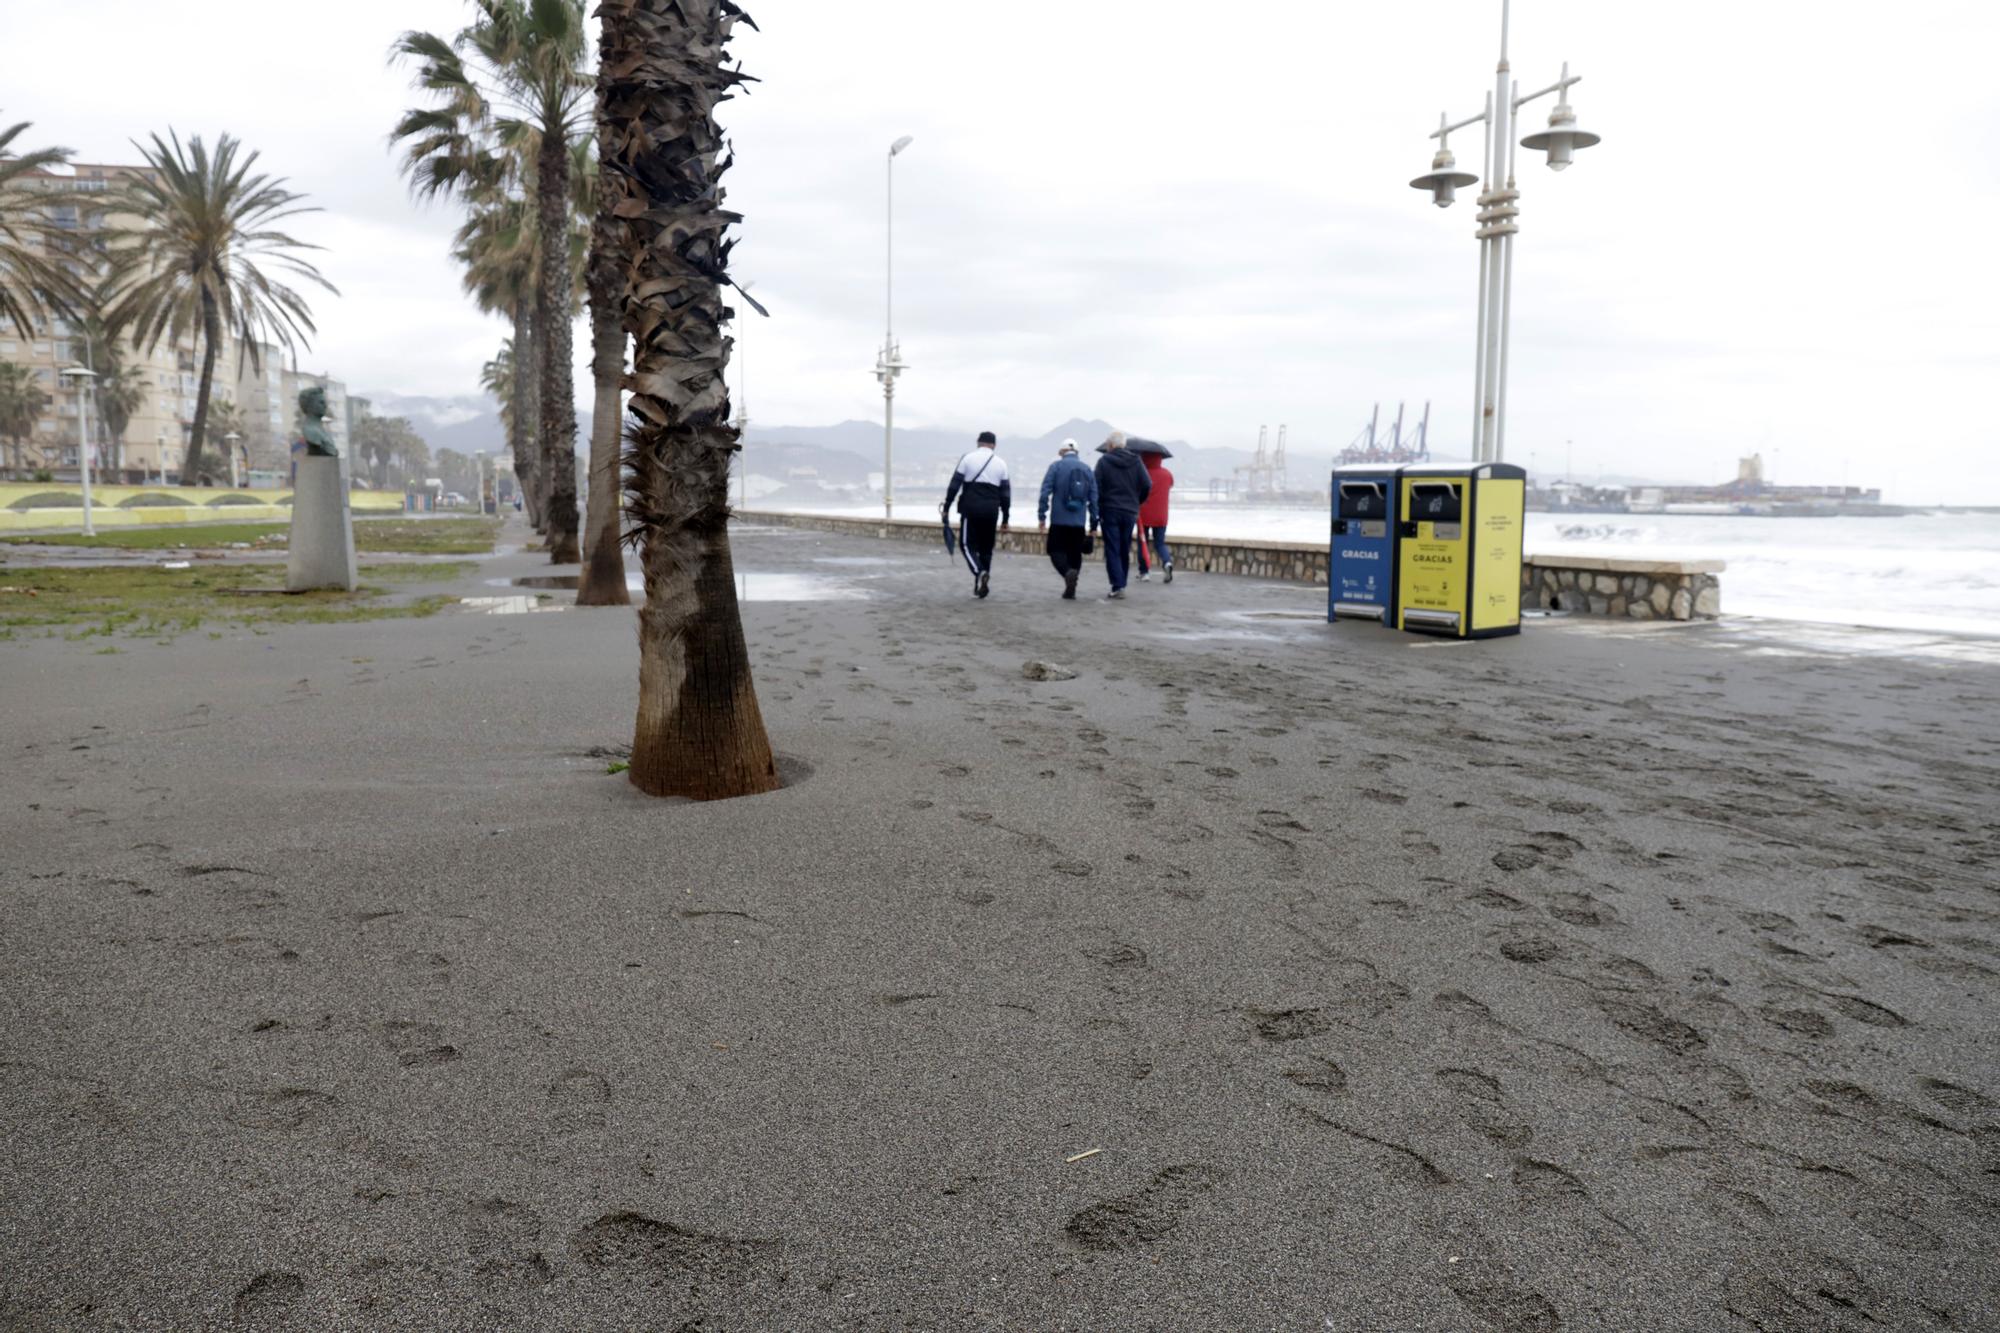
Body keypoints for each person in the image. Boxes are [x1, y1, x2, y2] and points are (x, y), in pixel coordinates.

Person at [942, 430, 1011, 598]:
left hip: (971, 509)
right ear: (994, 445)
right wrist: (1005, 518)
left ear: (978, 442)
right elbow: (1006, 494)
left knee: (966, 545)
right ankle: (981, 584)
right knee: (986, 549)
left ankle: (979, 573)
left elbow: (954, 485)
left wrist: (947, 507)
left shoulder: (968, 458)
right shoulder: (1001, 463)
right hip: (991, 511)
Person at [1036, 439, 1098, 600]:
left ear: (1062, 452)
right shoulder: (1087, 469)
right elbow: (1094, 499)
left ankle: (1066, 573)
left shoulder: (1056, 467)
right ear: (1076, 452)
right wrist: (1093, 524)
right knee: (1075, 554)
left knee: (1055, 551)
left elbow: (1045, 493)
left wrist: (1042, 515)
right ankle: (1071, 588)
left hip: (1058, 520)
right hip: (1078, 522)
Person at [1092, 431, 1151, 600]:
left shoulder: (1104, 461)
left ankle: (1118, 585)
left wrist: (1099, 507)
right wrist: (1137, 502)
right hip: (1130, 512)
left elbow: (1097, 487)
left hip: (1109, 510)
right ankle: (1121, 583)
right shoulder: (1136, 461)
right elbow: (1147, 484)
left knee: (1112, 548)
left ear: (1110, 445)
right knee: (1124, 547)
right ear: (1124, 445)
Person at [1136, 449, 1174, 583]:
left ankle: (1144, 572)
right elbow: (1170, 485)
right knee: (1159, 543)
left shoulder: (1141, 473)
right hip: (1161, 515)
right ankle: (1167, 562)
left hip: (1144, 515)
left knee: (1143, 543)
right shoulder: (1167, 474)